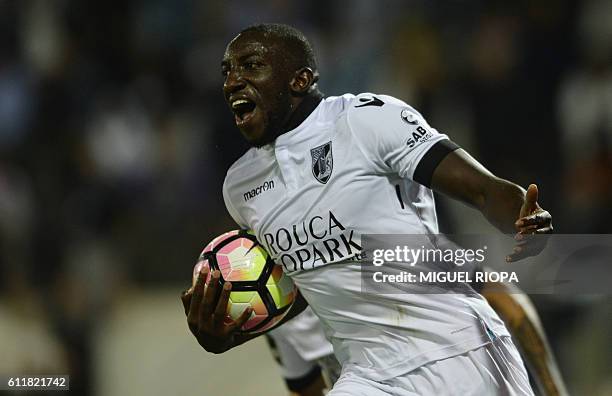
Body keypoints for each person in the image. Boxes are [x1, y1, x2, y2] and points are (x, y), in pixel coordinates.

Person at [181, 23, 554, 395]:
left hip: (458, 350)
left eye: (251, 66)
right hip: (368, 375)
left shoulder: (366, 120)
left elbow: (485, 191)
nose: (232, 82)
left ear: (300, 79)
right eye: (227, 71)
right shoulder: (241, 186)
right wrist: (231, 331)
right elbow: (307, 283)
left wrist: (523, 214)